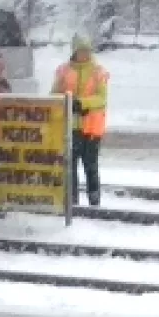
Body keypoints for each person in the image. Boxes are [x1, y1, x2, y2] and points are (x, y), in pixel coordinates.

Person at [52, 34, 109, 207]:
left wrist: (82, 103)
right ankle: (72, 203)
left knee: (91, 166)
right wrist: (66, 102)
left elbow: (102, 98)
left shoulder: (98, 72)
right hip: (70, 128)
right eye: (81, 51)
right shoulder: (63, 71)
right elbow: (54, 95)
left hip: (91, 129)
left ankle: (94, 202)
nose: (84, 54)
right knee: (70, 168)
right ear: (74, 51)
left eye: (87, 51)